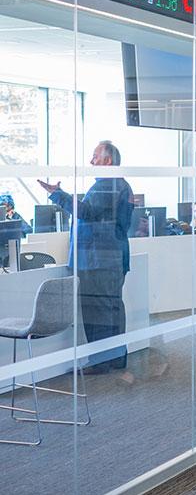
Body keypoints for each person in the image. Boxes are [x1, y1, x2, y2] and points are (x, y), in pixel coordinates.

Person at [38, 141, 134, 373]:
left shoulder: (107, 184)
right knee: (111, 310)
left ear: (108, 161)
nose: (91, 162)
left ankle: (101, 363)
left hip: (98, 260)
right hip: (107, 259)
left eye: (95, 157)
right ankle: (114, 359)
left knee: (98, 312)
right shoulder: (118, 184)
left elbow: (87, 212)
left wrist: (57, 194)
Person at [0, 194, 32, 267]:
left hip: (13, 248)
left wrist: (11, 221)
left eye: (7, 206)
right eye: (2, 206)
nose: (6, 208)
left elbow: (29, 230)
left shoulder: (15, 216)